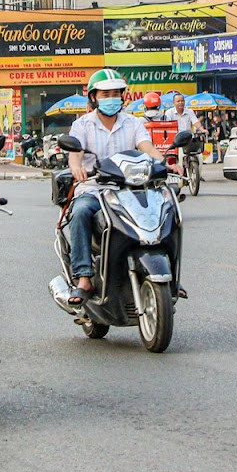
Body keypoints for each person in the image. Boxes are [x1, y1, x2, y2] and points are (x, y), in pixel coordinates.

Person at [62, 68, 163, 304]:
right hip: (95, 189)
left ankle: (169, 275)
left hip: (130, 190)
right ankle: (84, 276)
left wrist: (165, 163)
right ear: (94, 97)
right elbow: (74, 153)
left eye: (116, 93)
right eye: (105, 94)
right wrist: (76, 167)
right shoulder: (82, 125)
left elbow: (146, 147)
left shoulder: (133, 123)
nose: (111, 98)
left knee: (166, 211)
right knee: (79, 212)